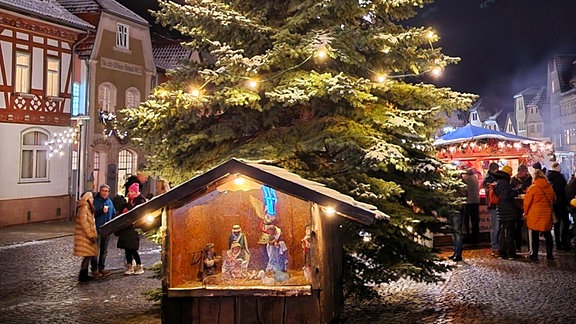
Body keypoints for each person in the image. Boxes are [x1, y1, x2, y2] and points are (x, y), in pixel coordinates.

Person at [523, 170, 555, 261]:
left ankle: (535, 255)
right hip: (547, 214)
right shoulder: (549, 187)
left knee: (535, 235)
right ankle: (550, 255)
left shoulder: (533, 188)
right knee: (548, 235)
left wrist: (525, 212)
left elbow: (527, 203)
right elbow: (554, 198)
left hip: (535, 215)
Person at [116, 183, 147, 275]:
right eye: (129, 191)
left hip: (134, 228)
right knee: (127, 249)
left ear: (136, 192)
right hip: (125, 228)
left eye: (132, 191)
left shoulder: (140, 200)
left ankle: (139, 265)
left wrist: (128, 207)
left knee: (133, 249)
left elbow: (136, 212)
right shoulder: (129, 201)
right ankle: (129, 266)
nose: (130, 193)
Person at [495, 165, 522, 259]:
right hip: (507, 211)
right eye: (510, 173)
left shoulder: (500, 182)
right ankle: (510, 253)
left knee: (503, 231)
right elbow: (506, 196)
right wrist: (515, 191)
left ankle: (502, 252)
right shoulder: (504, 182)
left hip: (503, 210)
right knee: (509, 232)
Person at [91, 184, 116, 277]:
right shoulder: (95, 201)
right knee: (95, 251)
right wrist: (101, 211)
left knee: (104, 250)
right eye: (103, 191)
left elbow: (113, 214)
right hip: (96, 229)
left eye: (106, 191)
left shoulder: (109, 202)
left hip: (107, 230)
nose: (105, 193)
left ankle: (102, 267)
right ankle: (94, 269)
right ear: (100, 191)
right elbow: (91, 214)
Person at [74, 192, 98, 282]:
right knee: (87, 256)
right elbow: (84, 223)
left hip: (87, 236)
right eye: (91, 198)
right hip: (85, 237)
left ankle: (84, 274)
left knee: (88, 255)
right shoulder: (84, 208)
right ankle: (83, 275)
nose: (93, 200)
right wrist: (91, 235)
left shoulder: (87, 208)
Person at [546, 162, 569, 250]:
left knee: (557, 223)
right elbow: (563, 192)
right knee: (565, 223)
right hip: (561, 203)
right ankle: (563, 242)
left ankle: (558, 243)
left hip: (554, 203)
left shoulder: (549, 177)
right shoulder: (559, 178)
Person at [510, 164, 532, 252]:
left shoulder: (530, 179)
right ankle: (518, 245)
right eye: (519, 171)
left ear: (525, 172)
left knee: (529, 225)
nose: (519, 173)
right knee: (517, 226)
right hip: (517, 205)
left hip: (528, 204)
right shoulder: (514, 179)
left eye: (521, 171)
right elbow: (511, 190)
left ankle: (529, 243)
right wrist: (516, 190)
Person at [482, 162, 500, 256]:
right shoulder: (490, 179)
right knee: (495, 226)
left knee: (495, 226)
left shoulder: (488, 178)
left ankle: (496, 245)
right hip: (493, 205)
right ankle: (495, 246)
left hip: (492, 205)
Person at [461, 167, 480, 244]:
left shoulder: (464, 178)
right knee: (475, 221)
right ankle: (476, 238)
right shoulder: (475, 177)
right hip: (476, 201)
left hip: (467, 202)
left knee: (466, 222)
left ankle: (467, 237)